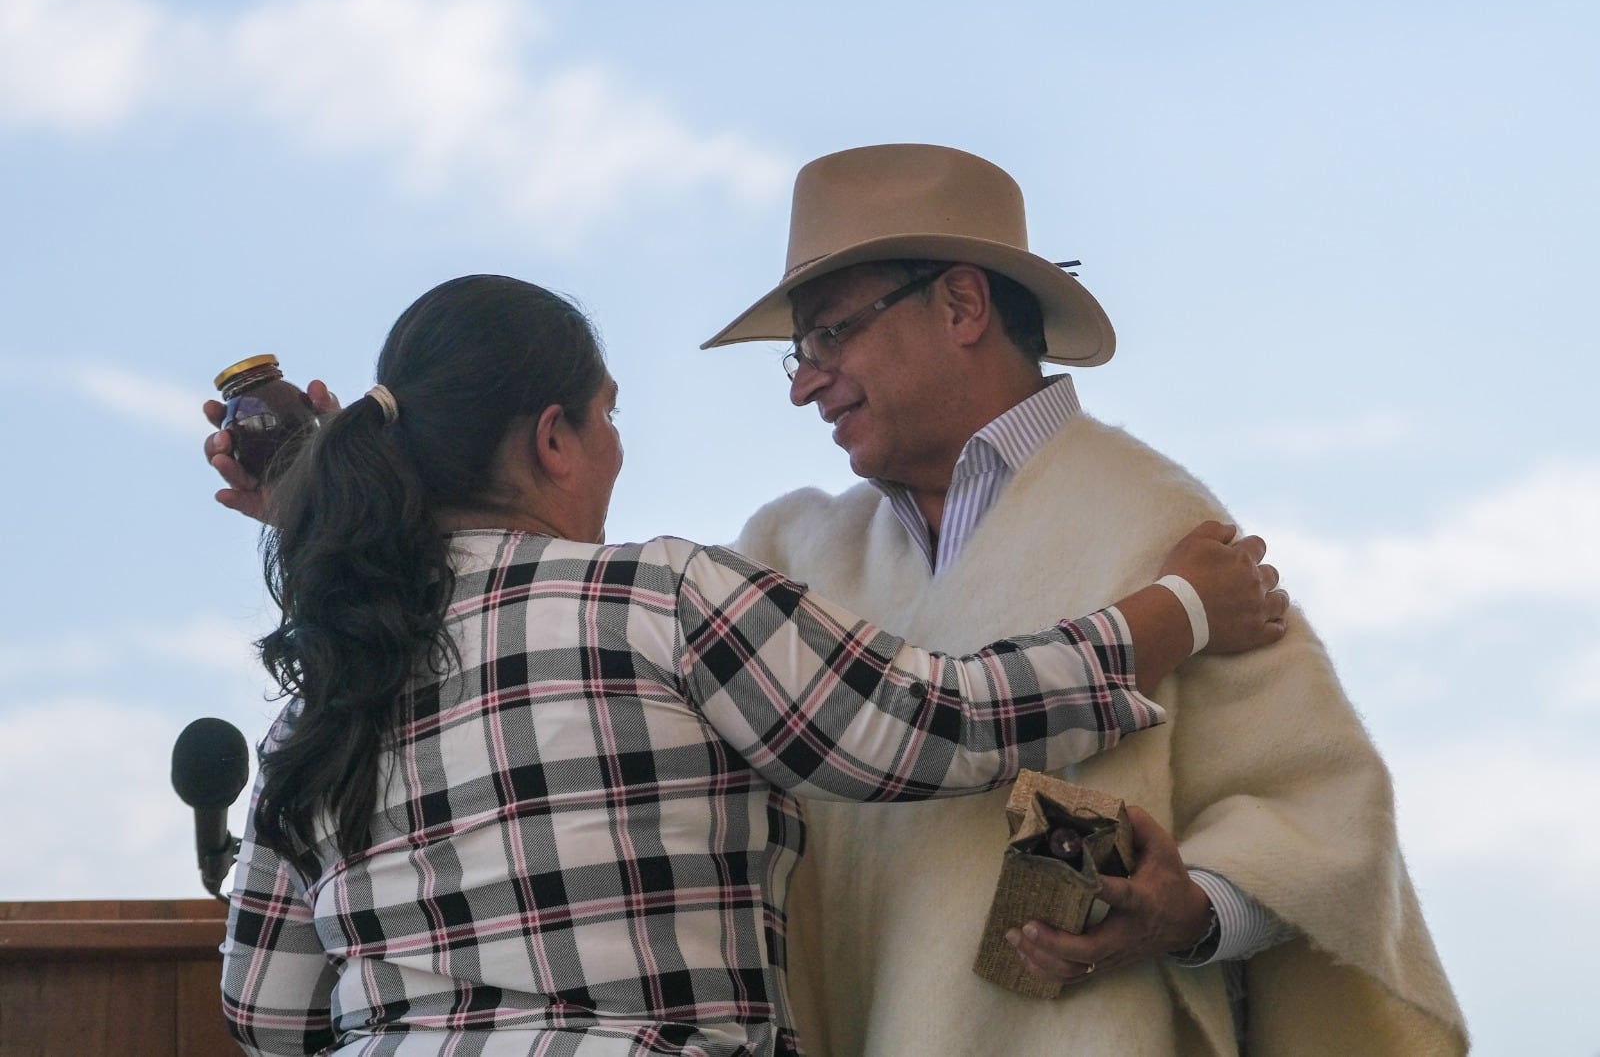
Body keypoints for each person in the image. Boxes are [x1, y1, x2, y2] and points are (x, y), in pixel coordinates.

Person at [213, 273, 1289, 1057]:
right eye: (610, 414)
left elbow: (265, 1012)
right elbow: (937, 722)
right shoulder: (656, 600)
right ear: (552, 438)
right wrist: (1176, 611)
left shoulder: (324, 695)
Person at [698, 144, 1467, 1056]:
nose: (802, 383)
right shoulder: (785, 556)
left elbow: (1321, 814)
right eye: (800, 349)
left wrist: (1191, 911)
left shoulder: (1155, 525)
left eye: (830, 333)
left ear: (961, 305)